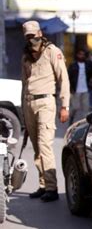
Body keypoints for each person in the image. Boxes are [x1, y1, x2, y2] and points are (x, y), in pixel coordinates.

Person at [20, 20, 70, 202]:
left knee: (45, 146)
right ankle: (43, 184)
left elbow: (63, 79)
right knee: (36, 148)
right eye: (28, 36)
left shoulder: (52, 51)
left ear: (40, 33)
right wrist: (23, 113)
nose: (31, 39)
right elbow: (24, 84)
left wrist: (64, 105)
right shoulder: (26, 56)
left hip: (46, 102)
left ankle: (52, 188)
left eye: (34, 35)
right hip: (29, 104)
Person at [68, 49, 92, 124]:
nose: (81, 56)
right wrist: (70, 88)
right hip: (76, 90)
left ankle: (85, 125)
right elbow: (69, 77)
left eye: (83, 54)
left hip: (85, 90)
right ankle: (71, 119)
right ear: (77, 55)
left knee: (86, 109)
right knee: (75, 107)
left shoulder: (87, 65)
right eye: (80, 54)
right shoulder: (73, 65)